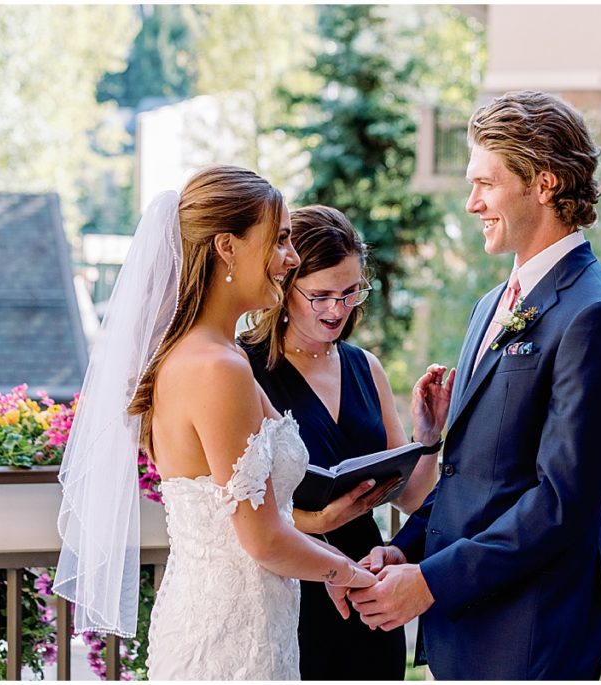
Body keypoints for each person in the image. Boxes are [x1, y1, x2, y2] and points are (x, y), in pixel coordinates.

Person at [349, 91, 601, 679]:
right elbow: (477, 474)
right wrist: (406, 548)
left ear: (544, 183)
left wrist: (430, 582)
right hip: (467, 632)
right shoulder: (491, 306)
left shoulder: (598, 316)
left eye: (486, 184)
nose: (471, 203)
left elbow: (560, 503)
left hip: (531, 638)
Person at [55, 165, 377, 681]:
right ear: (228, 248)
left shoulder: (207, 355)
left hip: (244, 617)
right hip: (232, 639)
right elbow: (262, 539)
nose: (290, 260)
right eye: (280, 241)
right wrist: (349, 573)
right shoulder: (216, 368)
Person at [240, 204, 453, 679]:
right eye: (320, 296)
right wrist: (318, 521)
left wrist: (427, 435)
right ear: (284, 285)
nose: (337, 310)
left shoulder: (365, 367)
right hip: (285, 586)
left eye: (350, 292)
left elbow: (412, 495)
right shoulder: (243, 370)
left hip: (366, 586)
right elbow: (229, 503)